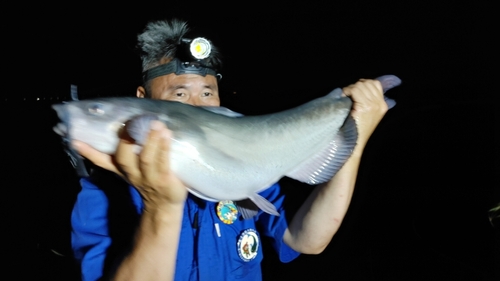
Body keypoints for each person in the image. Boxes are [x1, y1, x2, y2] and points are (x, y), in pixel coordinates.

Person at [71, 19, 388, 281]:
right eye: (179, 94)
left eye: (207, 92)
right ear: (142, 98)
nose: (198, 107)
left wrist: (355, 134)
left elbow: (307, 240)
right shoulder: (102, 194)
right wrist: (160, 207)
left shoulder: (244, 167)